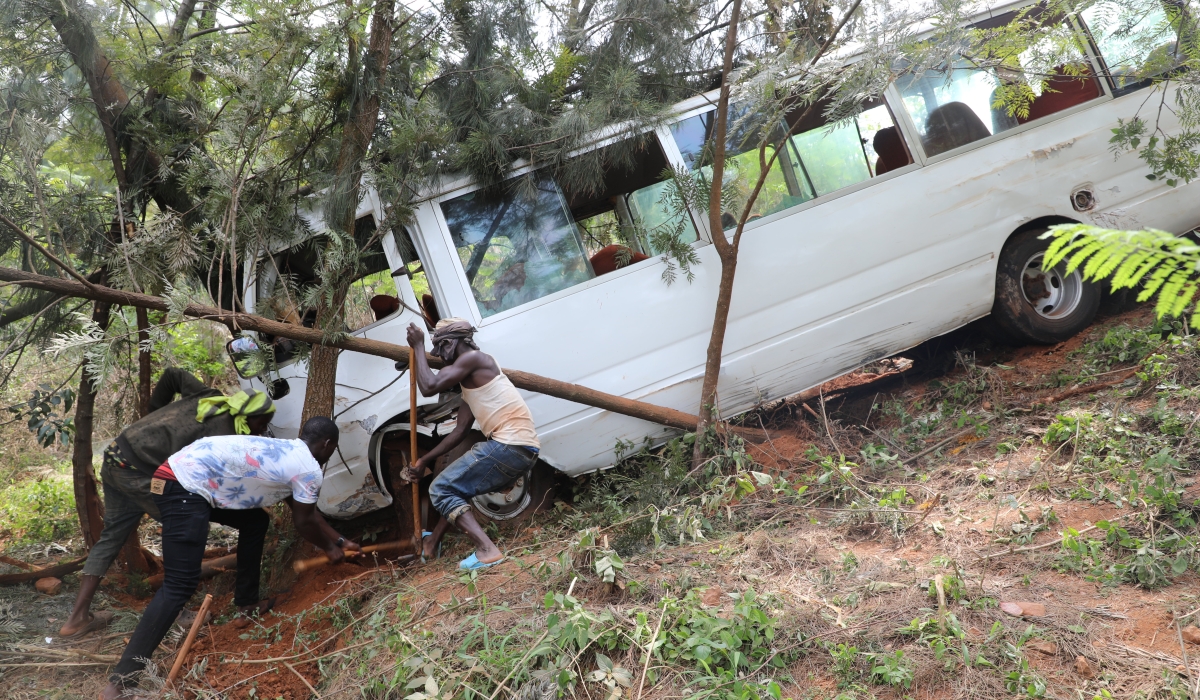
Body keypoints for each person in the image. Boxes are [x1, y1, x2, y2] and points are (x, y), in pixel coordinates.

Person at [100, 417, 359, 700]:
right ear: (327, 444)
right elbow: (304, 522)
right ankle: (119, 684)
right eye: (333, 450)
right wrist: (331, 549)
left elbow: (307, 513)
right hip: (184, 487)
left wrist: (341, 541)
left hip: (173, 476)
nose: (330, 455)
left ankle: (247, 603)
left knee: (255, 522)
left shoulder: (286, 452)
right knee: (178, 586)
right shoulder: (308, 469)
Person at [59, 369, 277, 639]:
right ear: (249, 417)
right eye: (262, 423)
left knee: (111, 537)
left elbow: (173, 375)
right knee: (187, 526)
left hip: (117, 457)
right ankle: (180, 612)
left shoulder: (211, 397)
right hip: (142, 473)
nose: (263, 429)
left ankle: (76, 618)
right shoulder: (226, 440)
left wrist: (153, 416)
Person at [403, 318, 540, 569]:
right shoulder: (471, 379)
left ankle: (487, 550)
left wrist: (419, 347)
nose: (439, 355)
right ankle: (432, 543)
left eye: (441, 346)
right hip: (522, 450)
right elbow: (460, 430)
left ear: (454, 343)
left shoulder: (474, 359)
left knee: (440, 489)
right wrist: (424, 460)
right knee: (456, 487)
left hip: (509, 445)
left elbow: (428, 386)